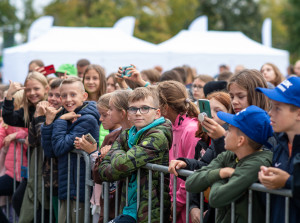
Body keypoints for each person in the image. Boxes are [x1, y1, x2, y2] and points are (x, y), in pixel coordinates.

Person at [186, 105, 273, 223]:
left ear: (240, 140)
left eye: (230, 129)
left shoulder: (259, 163)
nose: (225, 133)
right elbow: (191, 183)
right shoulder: (229, 155)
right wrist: (221, 172)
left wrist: (217, 178)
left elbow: (216, 198)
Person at [96, 87, 172, 223]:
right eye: (133, 109)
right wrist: (121, 155)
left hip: (148, 212)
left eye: (145, 108)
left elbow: (122, 166)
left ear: (157, 113)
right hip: (129, 207)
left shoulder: (158, 136)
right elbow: (102, 171)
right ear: (128, 113)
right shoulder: (126, 134)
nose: (138, 113)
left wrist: (116, 153)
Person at [41, 77, 100, 222]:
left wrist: (59, 122)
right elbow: (50, 151)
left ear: (84, 96)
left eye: (73, 95)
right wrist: (49, 123)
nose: (68, 99)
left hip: (80, 188)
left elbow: (60, 147)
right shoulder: (65, 115)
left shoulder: (87, 119)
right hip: (67, 185)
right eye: (64, 96)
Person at [168, 91, 231, 223]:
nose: (212, 115)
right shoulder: (203, 140)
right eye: (209, 110)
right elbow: (202, 167)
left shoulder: (229, 139)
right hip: (204, 204)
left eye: (218, 111)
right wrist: (185, 163)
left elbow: (227, 165)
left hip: (220, 206)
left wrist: (220, 138)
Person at [2, 71, 49, 222]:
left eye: (36, 89)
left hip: (47, 167)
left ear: (46, 89)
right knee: (19, 200)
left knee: (43, 209)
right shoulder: (29, 110)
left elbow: (43, 136)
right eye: (28, 90)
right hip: (32, 167)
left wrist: (29, 137)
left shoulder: (50, 107)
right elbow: (10, 118)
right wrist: (9, 96)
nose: (32, 93)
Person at [257, 76, 300, 223]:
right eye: (271, 106)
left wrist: (287, 182)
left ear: (298, 114)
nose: (270, 113)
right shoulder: (280, 144)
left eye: (278, 108)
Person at [74, 92, 121, 223]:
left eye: (105, 114)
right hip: (102, 197)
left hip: (110, 197)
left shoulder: (117, 136)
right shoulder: (110, 135)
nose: (100, 119)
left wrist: (92, 152)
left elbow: (103, 169)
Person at [157, 80, 199, 223]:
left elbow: (189, 173)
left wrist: (177, 203)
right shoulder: (173, 127)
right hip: (177, 203)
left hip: (187, 207)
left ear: (165, 107)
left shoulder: (191, 129)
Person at [0, 90, 28, 223]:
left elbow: (30, 132)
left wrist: (15, 135)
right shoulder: (7, 125)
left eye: (17, 107)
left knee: (22, 205)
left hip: (25, 176)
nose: (14, 112)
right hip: (12, 174)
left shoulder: (27, 121)